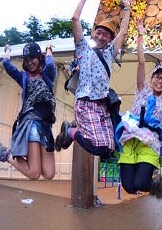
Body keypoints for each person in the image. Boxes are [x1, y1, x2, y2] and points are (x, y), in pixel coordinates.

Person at [54, 0, 132, 159]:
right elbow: (75, 19)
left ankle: (72, 132)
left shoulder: (110, 53)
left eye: (106, 34)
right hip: (86, 101)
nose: (101, 36)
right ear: (93, 33)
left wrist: (128, 8)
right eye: (99, 32)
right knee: (96, 146)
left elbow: (123, 31)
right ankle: (70, 131)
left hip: (102, 104)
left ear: (110, 38)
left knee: (108, 148)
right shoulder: (83, 47)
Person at [115, 19, 162, 199]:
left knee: (141, 184)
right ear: (152, 78)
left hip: (149, 139)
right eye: (157, 77)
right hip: (131, 136)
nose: (160, 81)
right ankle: (149, 178)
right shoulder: (142, 90)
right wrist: (140, 35)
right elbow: (141, 62)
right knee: (130, 188)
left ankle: (156, 179)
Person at [0, 43, 57, 181]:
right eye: (26, 60)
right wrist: (7, 51)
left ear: (39, 58)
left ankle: (3, 153)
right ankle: (3, 153)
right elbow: (6, 64)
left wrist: (48, 50)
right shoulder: (23, 77)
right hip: (31, 122)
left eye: (32, 58)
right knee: (34, 173)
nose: (30, 63)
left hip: (46, 126)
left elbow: (50, 65)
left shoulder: (47, 74)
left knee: (49, 173)